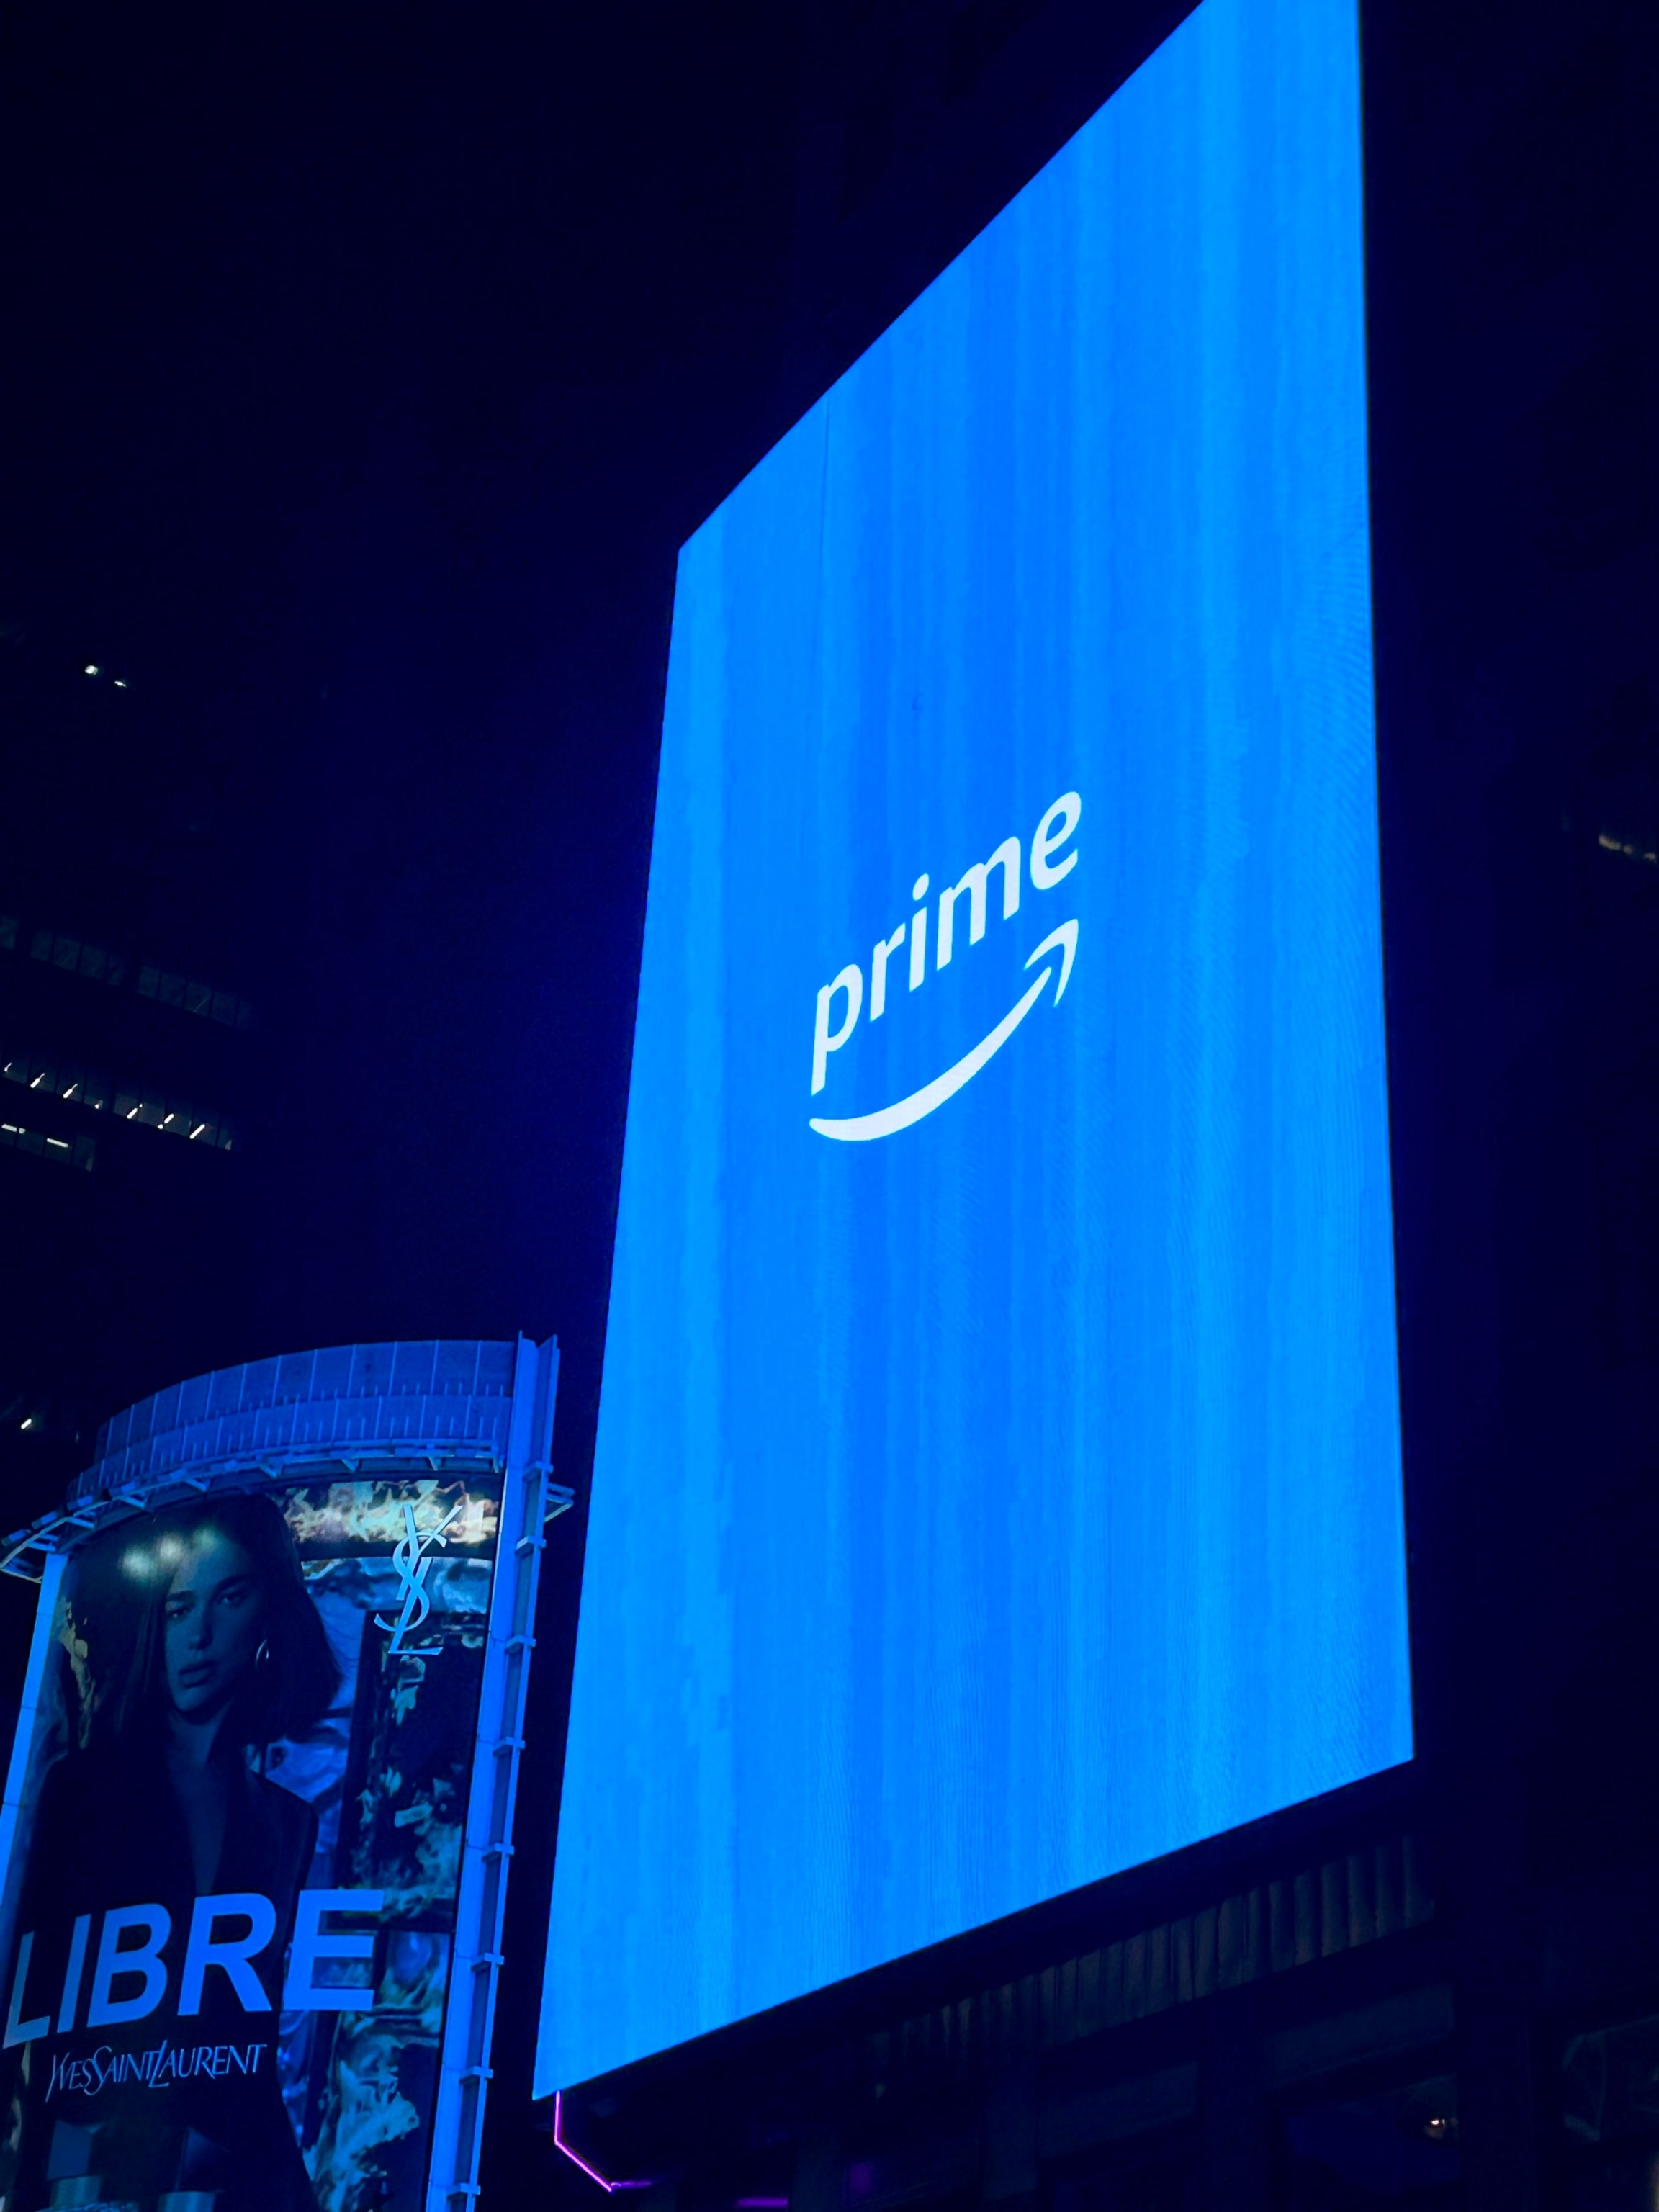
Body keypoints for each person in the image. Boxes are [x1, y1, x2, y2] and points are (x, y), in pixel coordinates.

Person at [0, 1493, 342, 2212]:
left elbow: (244, 2054)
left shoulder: (286, 1820)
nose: (200, 1635)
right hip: (87, 2169)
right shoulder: (83, 1790)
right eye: (180, 1608)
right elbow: (36, 2032)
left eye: (230, 1598)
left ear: (267, 1620)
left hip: (233, 2170)